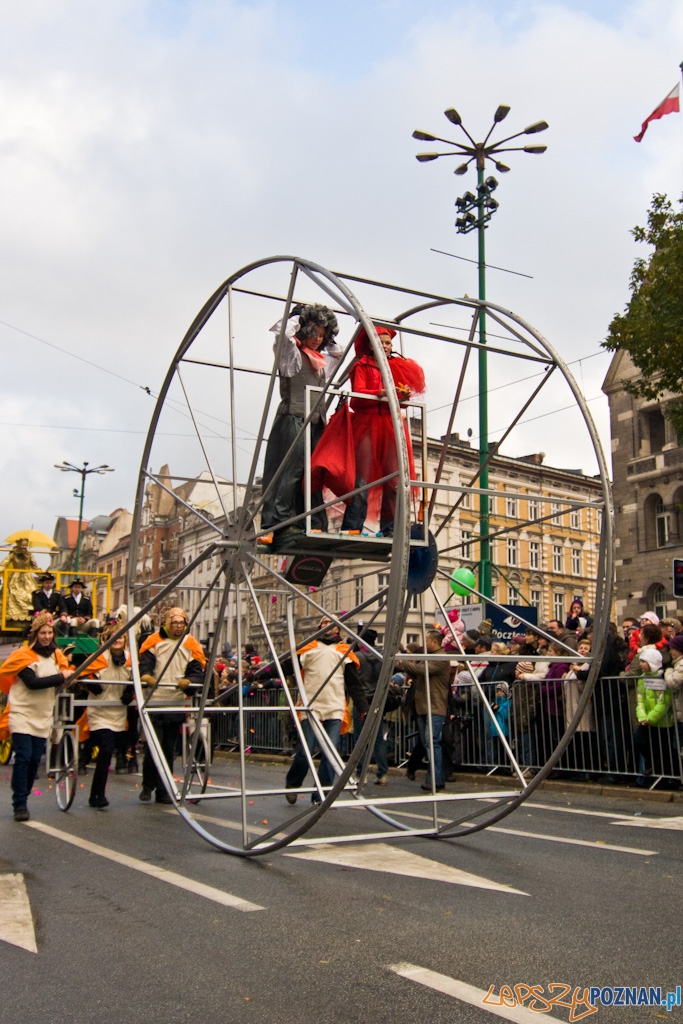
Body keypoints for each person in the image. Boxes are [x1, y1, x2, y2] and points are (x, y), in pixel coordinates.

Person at [317, 325, 425, 537]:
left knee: (394, 482)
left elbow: (399, 403)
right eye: (381, 342)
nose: (385, 346)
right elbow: (358, 397)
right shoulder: (362, 366)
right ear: (371, 344)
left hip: (389, 424)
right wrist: (382, 393)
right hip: (367, 424)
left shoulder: (395, 367)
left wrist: (400, 398)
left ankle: (390, 529)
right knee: (362, 480)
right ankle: (352, 526)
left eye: (388, 343)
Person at [261, 303, 341, 535]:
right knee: (291, 470)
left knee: (313, 473)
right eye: (313, 332)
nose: (317, 339)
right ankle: (280, 521)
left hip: (315, 423)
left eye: (322, 335)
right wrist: (298, 318)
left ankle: (314, 521)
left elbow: (338, 352)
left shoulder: (320, 361)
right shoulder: (291, 355)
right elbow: (283, 334)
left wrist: (327, 332)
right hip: (294, 418)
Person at [0, 612, 73, 820]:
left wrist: (69, 676)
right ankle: (19, 803)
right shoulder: (23, 655)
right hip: (22, 712)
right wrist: (61, 677)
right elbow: (32, 683)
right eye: (42, 633)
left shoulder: (56, 656)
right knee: (23, 757)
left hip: (43, 715)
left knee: (34, 760)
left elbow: (66, 676)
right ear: (35, 634)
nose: (47, 636)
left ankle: (25, 794)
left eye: (50, 632)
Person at [284, 615, 365, 804]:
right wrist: (258, 675)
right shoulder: (308, 648)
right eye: (324, 622)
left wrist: (364, 708)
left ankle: (321, 794)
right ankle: (293, 784)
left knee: (331, 752)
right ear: (319, 626)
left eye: (331, 623)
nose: (327, 625)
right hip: (310, 706)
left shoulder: (344, 651)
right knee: (306, 750)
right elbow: (285, 667)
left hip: (334, 706)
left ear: (337, 629)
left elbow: (354, 684)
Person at [138, 607, 207, 804]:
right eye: (175, 623)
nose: (178, 626)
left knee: (168, 748)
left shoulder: (191, 644)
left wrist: (189, 681)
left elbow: (196, 670)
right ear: (168, 623)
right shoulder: (154, 641)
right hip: (155, 699)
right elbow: (146, 663)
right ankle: (148, 784)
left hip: (175, 701)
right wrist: (147, 675)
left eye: (181, 623)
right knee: (154, 747)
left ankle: (163, 789)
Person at [82, 624, 134, 808]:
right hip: (100, 711)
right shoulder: (99, 657)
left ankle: (96, 793)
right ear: (106, 640)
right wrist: (91, 684)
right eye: (113, 636)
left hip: (118, 711)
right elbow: (84, 674)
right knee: (105, 749)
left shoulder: (130, 659)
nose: (117, 639)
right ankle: (97, 794)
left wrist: (130, 692)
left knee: (109, 752)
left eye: (120, 636)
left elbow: (137, 679)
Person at [397, 630, 451, 791]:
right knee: (429, 742)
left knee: (431, 742)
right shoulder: (428, 657)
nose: (424, 644)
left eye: (426, 640)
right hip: (423, 706)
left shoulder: (440, 658)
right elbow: (416, 669)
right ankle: (437, 779)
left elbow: (421, 670)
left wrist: (403, 661)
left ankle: (433, 779)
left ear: (435, 642)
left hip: (434, 706)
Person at [633, 646, 676, 784]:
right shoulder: (642, 678)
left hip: (663, 722)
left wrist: (651, 717)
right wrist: (643, 717)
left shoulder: (663, 677)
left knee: (663, 749)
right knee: (639, 739)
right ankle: (653, 766)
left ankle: (666, 777)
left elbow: (665, 702)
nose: (641, 665)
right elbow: (639, 699)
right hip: (648, 721)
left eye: (643, 662)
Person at [0, 538, 40, 623]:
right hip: (14, 578)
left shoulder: (29, 555)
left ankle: (30, 615)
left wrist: (45, 574)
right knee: (11, 594)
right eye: (22, 546)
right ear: (18, 545)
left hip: (27, 579)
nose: (23, 548)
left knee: (30, 596)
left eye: (25, 547)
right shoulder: (12, 555)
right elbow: (3, 565)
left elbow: (35, 568)